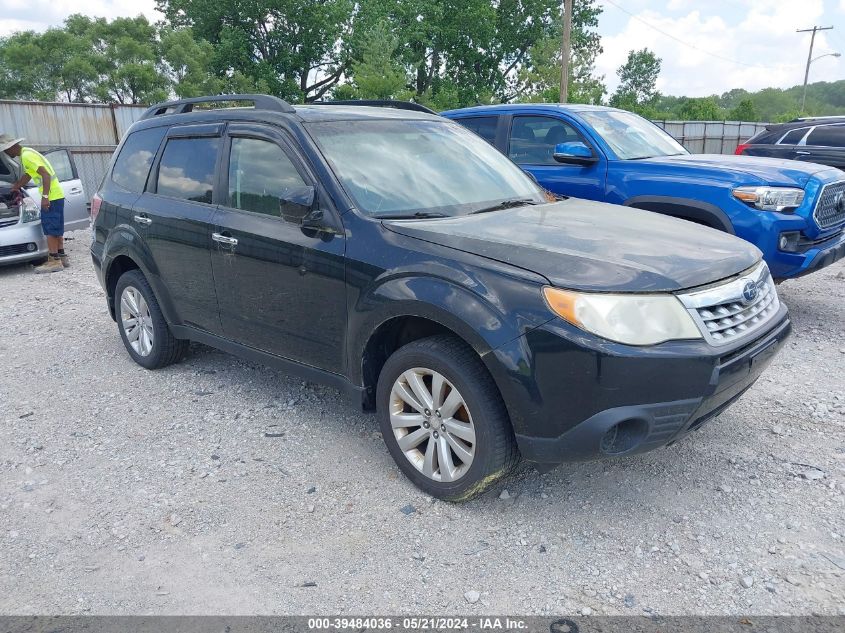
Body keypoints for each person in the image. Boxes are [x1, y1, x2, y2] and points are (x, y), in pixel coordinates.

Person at [0, 133, 67, 273]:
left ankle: (54, 261)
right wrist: (16, 186)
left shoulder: (26, 156)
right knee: (56, 227)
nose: (6, 153)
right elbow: (29, 175)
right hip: (57, 195)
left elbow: (45, 175)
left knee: (50, 228)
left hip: (52, 196)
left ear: (12, 147)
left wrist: (45, 197)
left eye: (6, 150)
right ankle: (62, 256)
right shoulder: (27, 153)